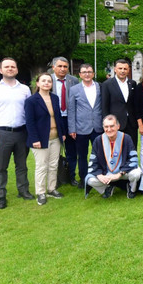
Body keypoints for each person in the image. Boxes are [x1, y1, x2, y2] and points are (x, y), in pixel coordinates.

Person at [0, 58, 33, 209]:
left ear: (17, 70)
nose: (10, 69)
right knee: (1, 167)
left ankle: (23, 191)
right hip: (2, 133)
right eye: (7, 67)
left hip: (22, 132)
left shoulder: (24, 89)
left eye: (13, 66)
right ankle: (1, 196)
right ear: (1, 70)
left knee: (22, 165)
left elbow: (29, 112)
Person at [25, 73, 67, 205]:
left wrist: (62, 133)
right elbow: (30, 122)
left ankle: (51, 188)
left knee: (53, 165)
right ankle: (41, 192)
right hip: (40, 139)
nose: (46, 83)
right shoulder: (31, 101)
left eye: (49, 81)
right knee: (41, 166)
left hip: (55, 137)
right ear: (37, 83)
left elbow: (58, 117)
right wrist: (34, 139)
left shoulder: (54, 98)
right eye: (43, 81)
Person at [85, 115, 143, 199]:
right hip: (107, 173)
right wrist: (99, 175)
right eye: (106, 127)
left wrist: (120, 174)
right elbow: (93, 162)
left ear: (118, 126)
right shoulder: (98, 141)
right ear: (103, 127)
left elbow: (133, 160)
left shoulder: (126, 138)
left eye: (112, 126)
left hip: (122, 172)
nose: (109, 129)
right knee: (90, 180)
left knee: (136, 173)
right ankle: (108, 188)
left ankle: (131, 189)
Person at [67, 63, 102, 190]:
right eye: (84, 72)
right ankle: (83, 178)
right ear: (80, 74)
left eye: (89, 71)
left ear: (93, 73)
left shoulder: (100, 87)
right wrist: (72, 129)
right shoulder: (74, 89)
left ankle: (99, 176)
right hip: (81, 128)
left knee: (99, 154)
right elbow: (71, 110)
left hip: (98, 127)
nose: (87, 74)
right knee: (82, 155)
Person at [50, 57, 78, 185]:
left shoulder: (74, 80)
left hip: (70, 119)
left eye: (65, 67)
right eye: (60, 66)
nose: (62, 69)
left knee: (72, 150)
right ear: (53, 67)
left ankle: (71, 177)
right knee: (54, 150)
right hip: (53, 120)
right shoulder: (47, 80)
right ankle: (55, 179)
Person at [101, 58, 138, 146]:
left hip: (131, 123)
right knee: (116, 150)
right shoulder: (107, 84)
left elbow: (134, 103)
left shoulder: (132, 83)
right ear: (115, 69)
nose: (122, 71)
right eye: (120, 68)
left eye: (125, 69)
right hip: (115, 123)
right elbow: (104, 106)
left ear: (128, 70)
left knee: (131, 149)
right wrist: (108, 124)